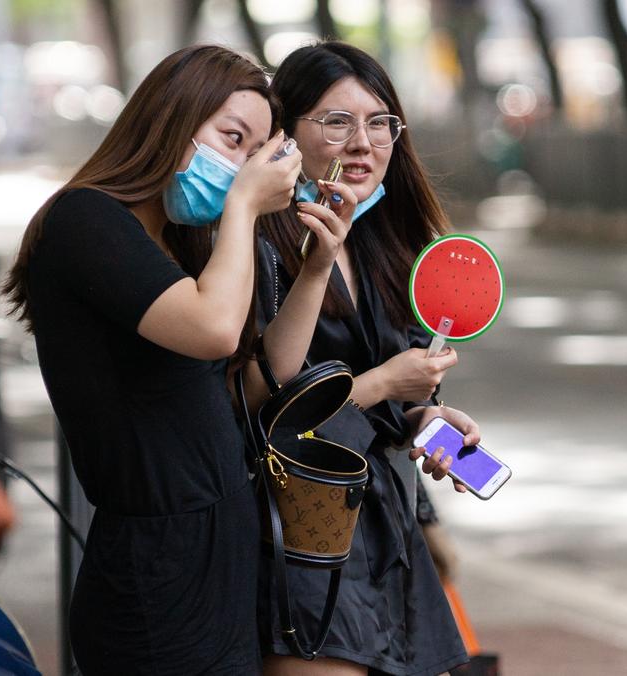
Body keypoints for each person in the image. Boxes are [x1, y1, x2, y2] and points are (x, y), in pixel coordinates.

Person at [0, 44, 353, 675]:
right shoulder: (87, 220)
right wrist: (244, 205)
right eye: (230, 137)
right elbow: (216, 331)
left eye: (254, 153)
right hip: (155, 574)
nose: (240, 165)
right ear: (170, 117)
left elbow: (254, 382)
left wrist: (317, 268)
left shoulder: (176, 243)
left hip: (218, 561)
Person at [253, 41, 473, 676]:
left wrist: (428, 424)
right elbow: (260, 409)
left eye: (379, 123)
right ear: (285, 134)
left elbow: (399, 403)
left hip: (384, 528)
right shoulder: (262, 245)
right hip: (300, 536)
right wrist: (381, 384)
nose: (362, 143)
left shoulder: (388, 246)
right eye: (335, 121)